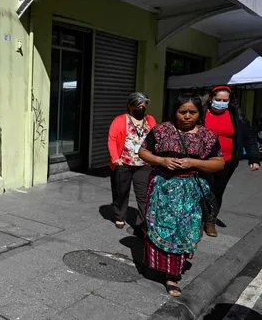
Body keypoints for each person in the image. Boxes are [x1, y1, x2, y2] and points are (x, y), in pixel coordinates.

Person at [139, 94, 224, 297]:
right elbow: (143, 151)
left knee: (183, 231)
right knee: (157, 226)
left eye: (192, 112)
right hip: (163, 188)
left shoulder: (208, 136)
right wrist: (161, 161)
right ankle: (153, 263)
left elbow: (218, 163)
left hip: (190, 191)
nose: (187, 116)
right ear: (175, 111)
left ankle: (172, 276)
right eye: (182, 112)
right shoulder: (161, 130)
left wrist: (194, 163)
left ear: (199, 113)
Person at [202, 85, 260, 237]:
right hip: (203, 161)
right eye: (218, 100)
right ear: (210, 99)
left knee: (217, 192)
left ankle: (210, 221)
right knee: (203, 190)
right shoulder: (202, 113)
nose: (221, 103)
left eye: (224, 100)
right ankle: (198, 219)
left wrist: (254, 159)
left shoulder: (235, 115)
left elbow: (248, 137)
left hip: (227, 162)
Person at [107, 92, 157, 231]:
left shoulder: (150, 119)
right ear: (130, 106)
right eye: (138, 106)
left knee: (143, 195)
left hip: (144, 164)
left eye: (143, 106)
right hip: (124, 163)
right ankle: (120, 216)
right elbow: (112, 139)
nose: (141, 108)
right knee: (121, 192)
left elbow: (156, 137)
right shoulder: (120, 119)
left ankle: (142, 223)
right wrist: (115, 158)